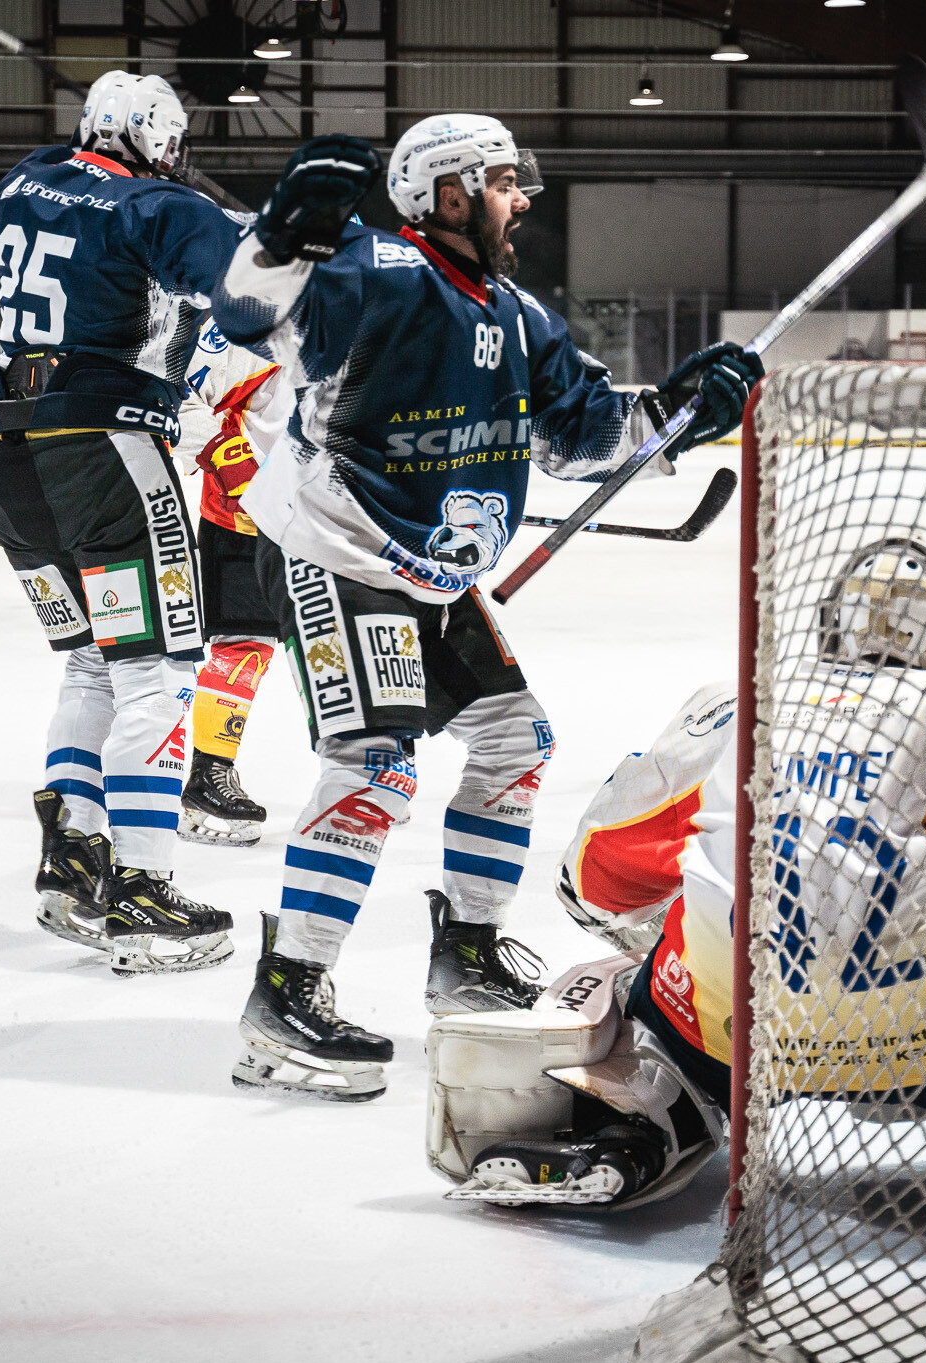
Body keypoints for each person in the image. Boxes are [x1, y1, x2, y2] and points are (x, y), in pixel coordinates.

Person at [211, 115, 763, 1101]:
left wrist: (679, 414)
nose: (523, 200)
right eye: (504, 182)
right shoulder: (371, 268)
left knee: (517, 742)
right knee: (373, 767)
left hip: (435, 579)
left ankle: (463, 955)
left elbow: (587, 436)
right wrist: (281, 234)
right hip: (341, 558)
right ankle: (285, 994)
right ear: (451, 194)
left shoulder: (517, 312)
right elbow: (249, 317)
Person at [429, 539, 926, 1207]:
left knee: (622, 976)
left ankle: (640, 1120)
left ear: (831, 623)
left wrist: (666, 924)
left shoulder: (742, 701)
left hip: (732, 1043)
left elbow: (601, 871)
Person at [0, 70, 245, 974]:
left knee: (93, 659)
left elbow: (94, 200)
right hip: (106, 455)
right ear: (159, 142)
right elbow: (246, 287)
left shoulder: (29, 175)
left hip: (9, 462)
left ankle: (75, 855)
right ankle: (142, 885)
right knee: (159, 669)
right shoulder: (157, 207)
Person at [174, 319, 293, 846]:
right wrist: (229, 455)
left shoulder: (382, 326)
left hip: (338, 519)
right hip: (246, 515)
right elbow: (176, 391)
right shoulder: (246, 322)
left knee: (345, 641)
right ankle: (208, 775)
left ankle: (373, 760)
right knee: (245, 647)